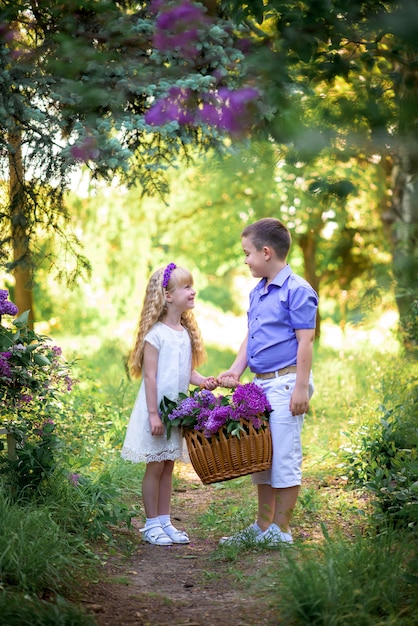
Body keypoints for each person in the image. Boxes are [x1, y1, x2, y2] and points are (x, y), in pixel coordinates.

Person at [217, 218, 318, 546]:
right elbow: (253, 335)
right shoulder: (257, 292)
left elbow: (305, 342)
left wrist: (301, 387)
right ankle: (262, 527)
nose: (245, 260)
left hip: (287, 383)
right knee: (261, 457)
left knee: (284, 455)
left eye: (246, 253)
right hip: (261, 385)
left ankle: (281, 530)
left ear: (266, 252)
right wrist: (236, 369)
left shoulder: (297, 290)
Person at [121, 263, 217, 546]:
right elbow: (150, 377)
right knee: (154, 466)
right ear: (168, 295)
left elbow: (187, 372)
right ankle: (151, 524)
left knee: (167, 466)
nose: (193, 291)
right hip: (157, 413)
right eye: (186, 287)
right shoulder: (156, 335)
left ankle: (165, 521)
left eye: (192, 285)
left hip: (175, 413)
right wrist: (153, 414)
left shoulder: (184, 334)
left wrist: (204, 382)